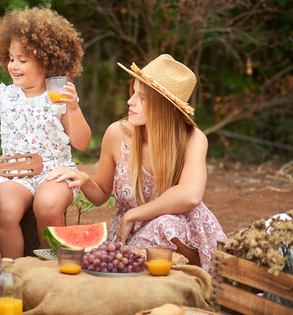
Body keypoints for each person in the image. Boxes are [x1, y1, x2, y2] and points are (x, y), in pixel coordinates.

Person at [47, 54, 226, 274]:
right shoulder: (116, 134)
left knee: (166, 224)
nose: (130, 101)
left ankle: (193, 281)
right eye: (133, 93)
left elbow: (190, 195)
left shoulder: (193, 139)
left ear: (163, 107)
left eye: (141, 97)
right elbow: (101, 193)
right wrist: (85, 180)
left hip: (182, 231)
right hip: (129, 238)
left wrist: (133, 215)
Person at [0, 7, 91, 258]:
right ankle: (14, 268)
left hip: (54, 171)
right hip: (15, 171)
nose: (13, 66)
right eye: (10, 58)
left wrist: (72, 108)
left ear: (46, 60)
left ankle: (50, 266)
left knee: (47, 205)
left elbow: (82, 143)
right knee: (5, 208)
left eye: (22, 60)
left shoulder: (59, 97)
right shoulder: (4, 96)